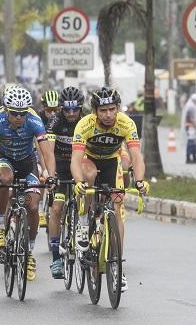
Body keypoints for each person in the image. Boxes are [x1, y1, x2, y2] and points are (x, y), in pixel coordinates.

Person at [70, 87, 149, 292]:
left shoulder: (126, 123)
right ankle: (84, 222)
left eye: (112, 109)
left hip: (111, 162)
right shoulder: (84, 125)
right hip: (89, 159)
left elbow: (136, 156)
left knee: (116, 209)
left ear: (118, 108)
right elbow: (75, 160)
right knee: (89, 175)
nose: (108, 115)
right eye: (103, 110)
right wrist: (79, 182)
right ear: (95, 111)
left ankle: (117, 263)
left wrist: (140, 181)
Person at [0, 86, 56, 281]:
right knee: (5, 180)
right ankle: (0, 226)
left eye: (23, 113)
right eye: (14, 113)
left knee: (33, 205)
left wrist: (51, 175)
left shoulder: (34, 121)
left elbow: (47, 153)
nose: (19, 117)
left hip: (27, 163)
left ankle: (29, 253)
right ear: (6, 110)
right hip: (6, 161)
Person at [45, 86, 84, 279]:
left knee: (88, 201)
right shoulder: (55, 122)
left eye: (74, 109)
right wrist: (50, 174)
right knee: (57, 208)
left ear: (81, 108)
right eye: (66, 109)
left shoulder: (86, 122)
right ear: (61, 108)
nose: (70, 113)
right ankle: (55, 258)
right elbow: (49, 151)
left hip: (80, 164)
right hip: (60, 167)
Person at [37, 90, 59, 228]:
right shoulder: (38, 119)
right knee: (41, 176)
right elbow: (39, 147)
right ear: (43, 108)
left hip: (55, 150)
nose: (52, 114)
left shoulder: (60, 118)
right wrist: (45, 169)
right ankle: (40, 210)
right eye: (48, 110)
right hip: (38, 149)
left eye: (55, 110)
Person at [182, 94, 196, 164]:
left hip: (189, 127)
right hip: (190, 127)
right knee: (191, 143)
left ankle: (192, 157)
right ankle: (191, 157)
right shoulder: (191, 107)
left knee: (191, 143)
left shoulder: (189, 105)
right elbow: (192, 119)